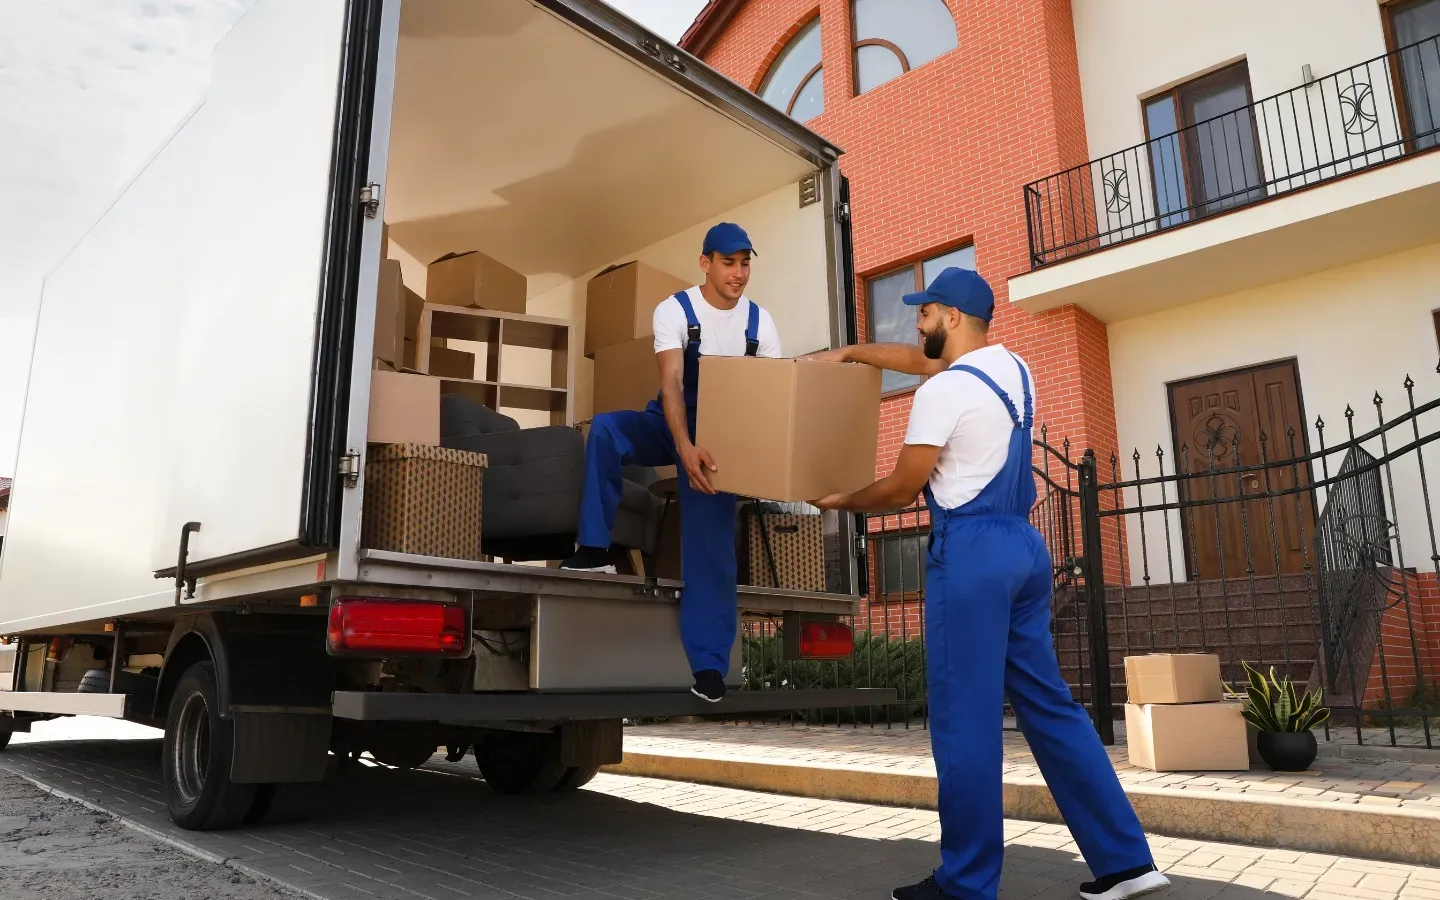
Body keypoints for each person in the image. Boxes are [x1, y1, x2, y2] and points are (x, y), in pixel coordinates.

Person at [810, 267, 1167, 900]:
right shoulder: (1012, 369)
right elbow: (921, 364)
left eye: (924, 312)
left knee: (963, 720)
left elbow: (900, 487)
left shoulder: (941, 395)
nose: (916, 322)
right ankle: (1127, 863)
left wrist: (839, 499)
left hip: (971, 553)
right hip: (1026, 551)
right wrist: (852, 352)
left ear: (948, 317)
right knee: (1051, 708)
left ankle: (967, 883)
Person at [562, 223, 782, 703]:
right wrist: (683, 446)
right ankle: (594, 547)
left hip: (721, 437)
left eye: (746, 262)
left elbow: (765, 397)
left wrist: (747, 461)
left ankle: (707, 665)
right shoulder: (676, 310)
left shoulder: (760, 324)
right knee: (605, 430)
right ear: (705, 263)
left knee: (711, 545)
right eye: (729, 262)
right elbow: (672, 382)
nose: (739, 273)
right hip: (670, 420)